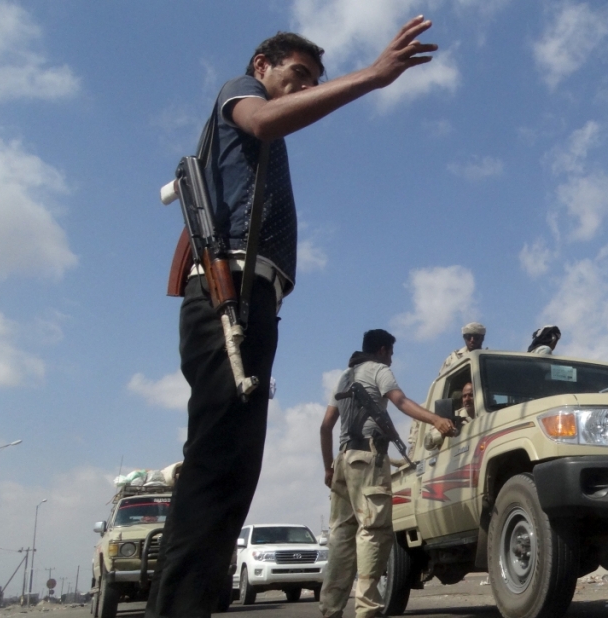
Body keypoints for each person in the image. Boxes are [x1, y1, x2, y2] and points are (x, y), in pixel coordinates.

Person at [146, 20, 440, 618]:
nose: (301, 87)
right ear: (261, 66)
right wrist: (375, 77)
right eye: (296, 75)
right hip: (226, 294)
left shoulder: (267, 145)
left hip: (256, 302)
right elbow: (261, 119)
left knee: (232, 471)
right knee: (215, 468)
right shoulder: (240, 98)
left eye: (310, 79)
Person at [319, 329, 454, 618]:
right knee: (373, 532)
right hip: (368, 460)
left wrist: (328, 467)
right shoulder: (379, 371)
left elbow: (325, 426)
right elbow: (401, 402)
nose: (392, 359)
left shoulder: (345, 376)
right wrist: (436, 419)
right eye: (390, 353)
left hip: (343, 460)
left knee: (342, 537)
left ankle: (330, 609)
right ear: (381, 350)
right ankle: (367, 610)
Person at [423, 382, 475, 451]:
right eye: (464, 396)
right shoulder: (455, 416)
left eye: (471, 395)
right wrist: (444, 430)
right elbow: (429, 443)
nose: (467, 399)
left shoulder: (489, 413)